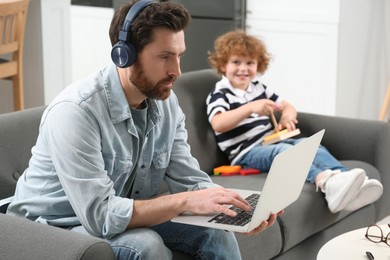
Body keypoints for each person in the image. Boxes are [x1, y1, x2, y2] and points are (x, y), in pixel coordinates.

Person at [6, 2, 281, 259]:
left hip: (110, 213)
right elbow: (100, 216)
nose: (176, 71)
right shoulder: (76, 112)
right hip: (49, 228)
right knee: (145, 245)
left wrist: (235, 209)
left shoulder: (166, 103)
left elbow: (189, 179)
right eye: (164, 57)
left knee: (215, 235)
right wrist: (185, 201)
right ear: (124, 55)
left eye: (179, 56)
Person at [206, 30, 383, 214]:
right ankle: (325, 182)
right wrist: (250, 108)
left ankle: (348, 180)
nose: (243, 68)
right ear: (223, 64)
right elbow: (218, 123)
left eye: (250, 63)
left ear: (258, 65)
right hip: (245, 153)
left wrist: (287, 115)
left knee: (310, 146)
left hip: (270, 141)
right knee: (287, 153)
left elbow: (287, 105)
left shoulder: (258, 88)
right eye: (236, 62)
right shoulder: (220, 93)